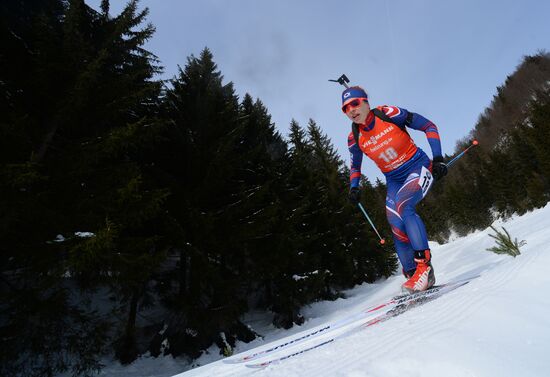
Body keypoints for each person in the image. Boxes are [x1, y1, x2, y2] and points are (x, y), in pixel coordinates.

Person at [341, 86, 447, 293]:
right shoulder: (354, 137)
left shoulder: (388, 114)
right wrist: (354, 187)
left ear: (365, 102)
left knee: (405, 206)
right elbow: (355, 166)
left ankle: (424, 268)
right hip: (394, 179)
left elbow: (429, 126)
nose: (351, 110)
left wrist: (438, 158)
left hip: (418, 166)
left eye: (355, 103)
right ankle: (412, 274)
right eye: (345, 108)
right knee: (396, 224)